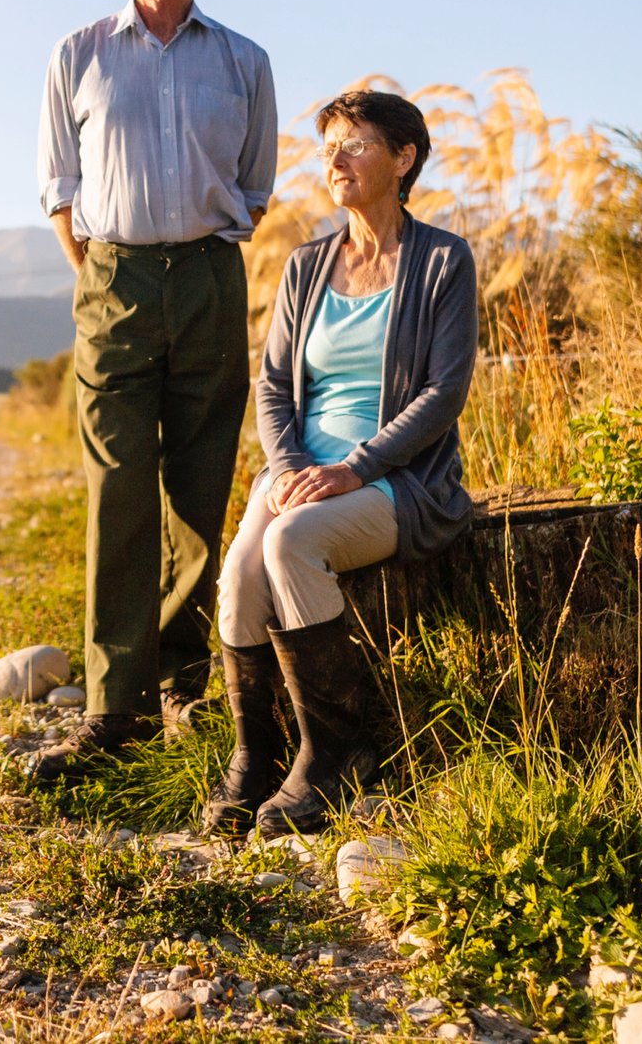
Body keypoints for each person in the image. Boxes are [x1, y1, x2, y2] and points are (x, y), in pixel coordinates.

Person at [29, 0, 278, 780]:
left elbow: (255, 185)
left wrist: (193, 264)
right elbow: (60, 187)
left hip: (211, 276)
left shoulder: (245, 61)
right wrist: (101, 274)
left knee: (201, 488)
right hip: (115, 280)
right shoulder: (78, 53)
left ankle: (186, 683)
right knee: (117, 489)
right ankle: (113, 704)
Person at [203, 88, 478, 833]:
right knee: (238, 576)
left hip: (398, 480)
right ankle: (253, 756)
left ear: (404, 157)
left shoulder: (444, 261)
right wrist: (290, 463)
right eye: (329, 145)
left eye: (355, 143)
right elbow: (272, 384)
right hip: (301, 471)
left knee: (294, 543)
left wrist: (353, 468)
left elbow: (443, 392)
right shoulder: (308, 264)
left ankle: (334, 753)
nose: (335, 157)